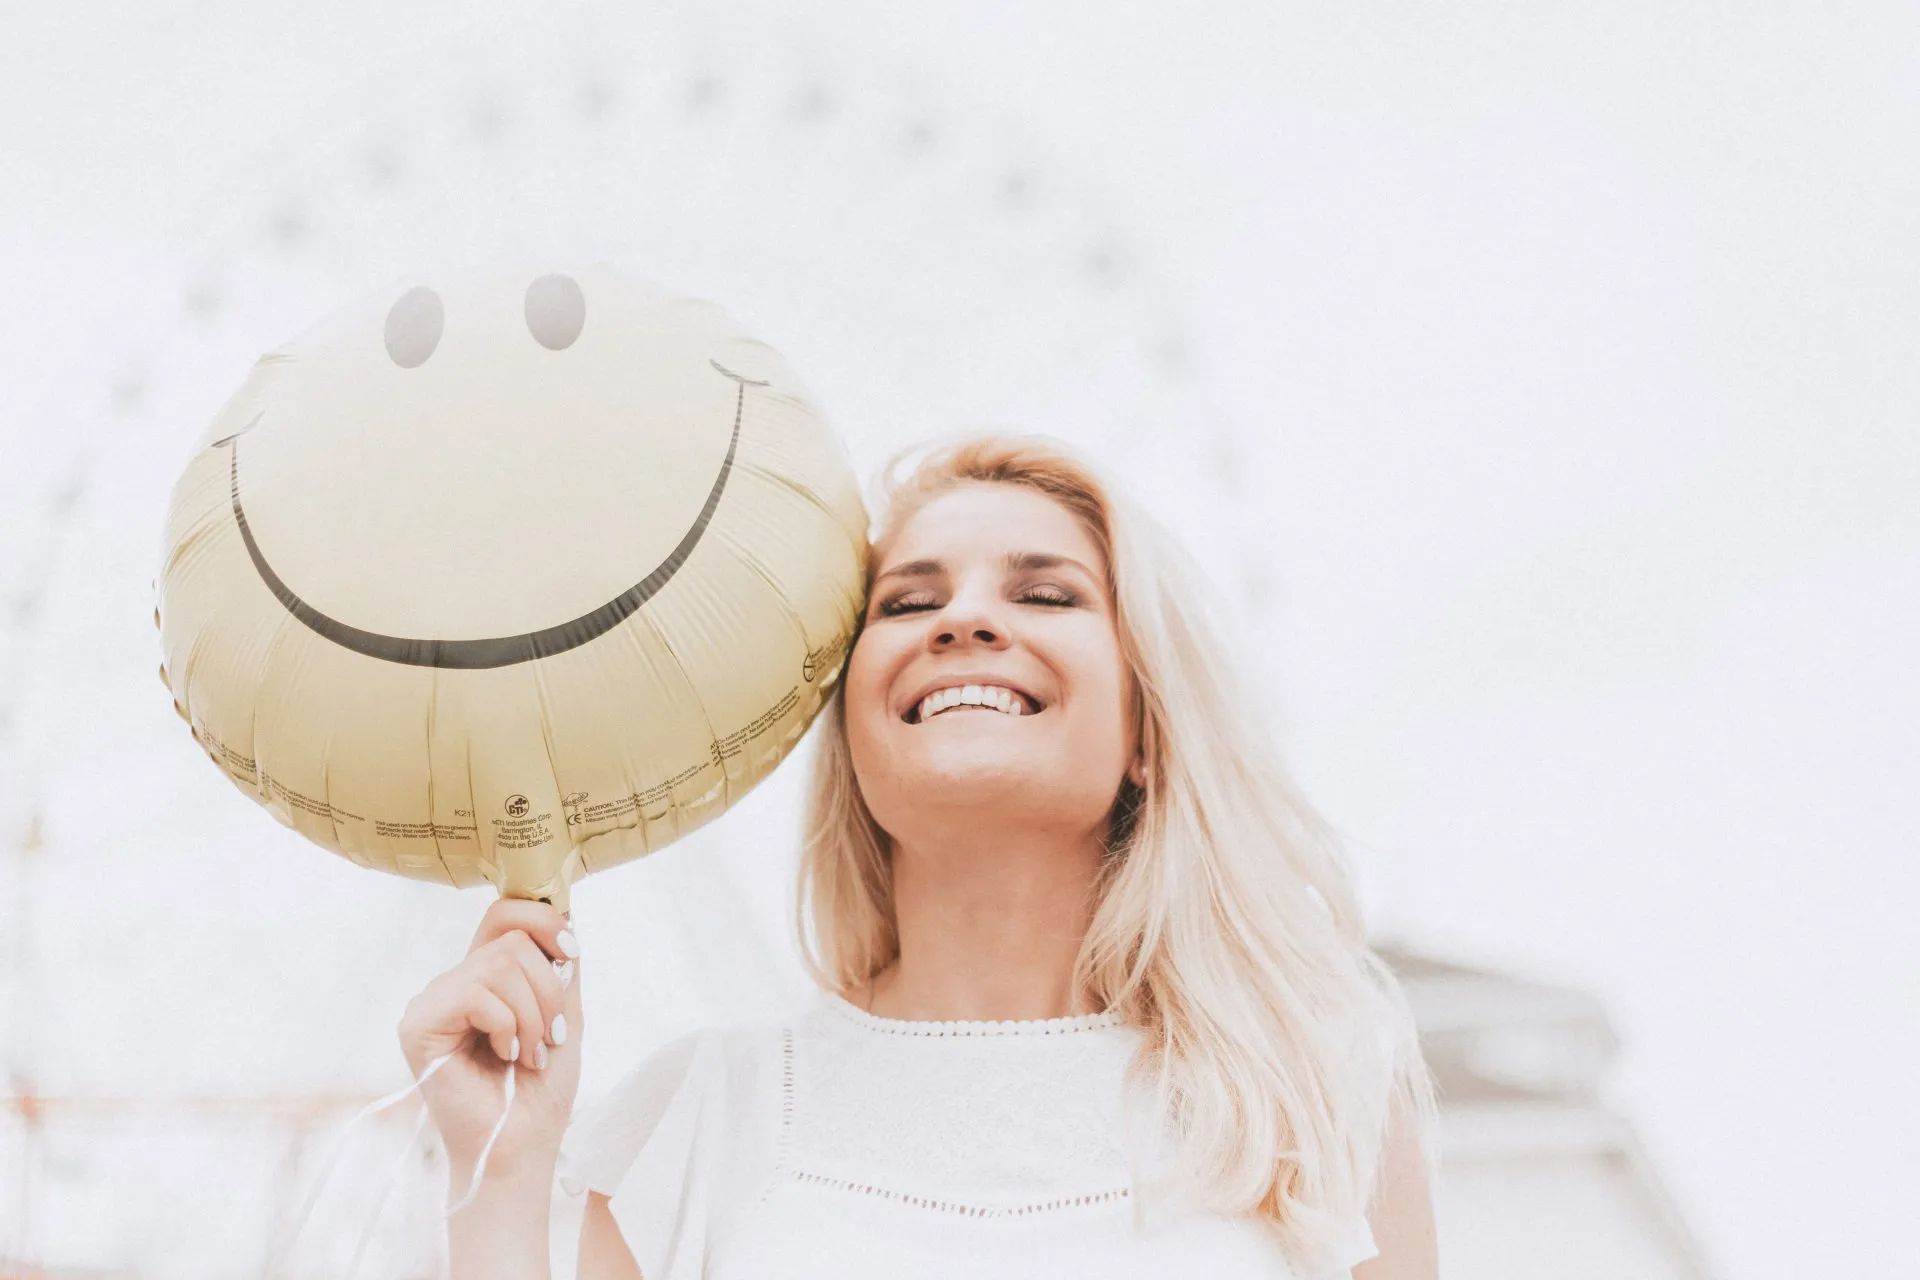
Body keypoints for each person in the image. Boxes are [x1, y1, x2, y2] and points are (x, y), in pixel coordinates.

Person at [398, 434, 1441, 1279]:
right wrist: (496, 1170)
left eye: (1045, 594)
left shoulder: (1311, 1093)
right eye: (908, 602)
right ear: (853, 735)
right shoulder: (704, 1119)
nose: (965, 618)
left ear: (1147, 735)